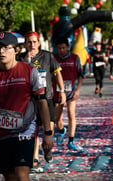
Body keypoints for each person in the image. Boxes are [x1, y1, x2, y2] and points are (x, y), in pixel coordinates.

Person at [0, 32, 53, 180]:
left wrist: (48, 133)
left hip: (25, 131)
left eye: (6, 48)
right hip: (2, 134)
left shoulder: (29, 72)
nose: (1, 52)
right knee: (9, 176)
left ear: (16, 50)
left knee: (21, 174)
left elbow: (42, 103)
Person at [17, 31, 66, 170]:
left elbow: (57, 73)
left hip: (47, 97)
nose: (32, 45)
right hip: (29, 100)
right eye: (29, 42)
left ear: (39, 43)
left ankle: (47, 149)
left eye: (34, 42)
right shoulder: (20, 58)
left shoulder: (48, 56)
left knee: (47, 129)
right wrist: (26, 60)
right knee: (33, 130)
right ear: (25, 44)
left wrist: (62, 91)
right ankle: (35, 158)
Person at [52, 37, 84, 150]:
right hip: (58, 93)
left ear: (68, 47)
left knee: (71, 114)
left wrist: (78, 90)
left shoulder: (75, 58)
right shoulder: (53, 59)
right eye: (59, 48)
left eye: (64, 48)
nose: (62, 50)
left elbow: (81, 75)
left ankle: (71, 141)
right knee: (57, 118)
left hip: (71, 92)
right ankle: (62, 130)